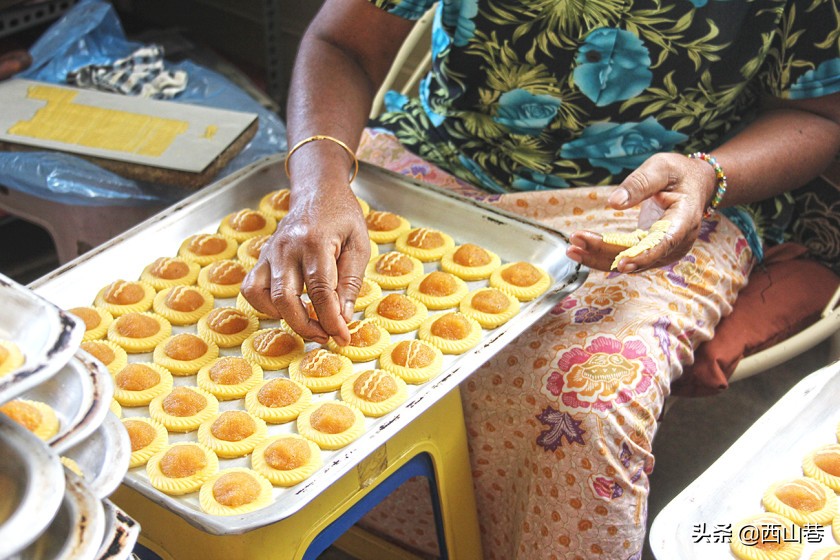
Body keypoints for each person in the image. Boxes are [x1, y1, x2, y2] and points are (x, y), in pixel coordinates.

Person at [242, 1, 840, 557]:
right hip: (442, 159)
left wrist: (709, 176)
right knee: (284, 324)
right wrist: (320, 185)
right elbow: (341, 41)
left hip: (665, 198)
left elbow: (819, 111)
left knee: (588, 408)